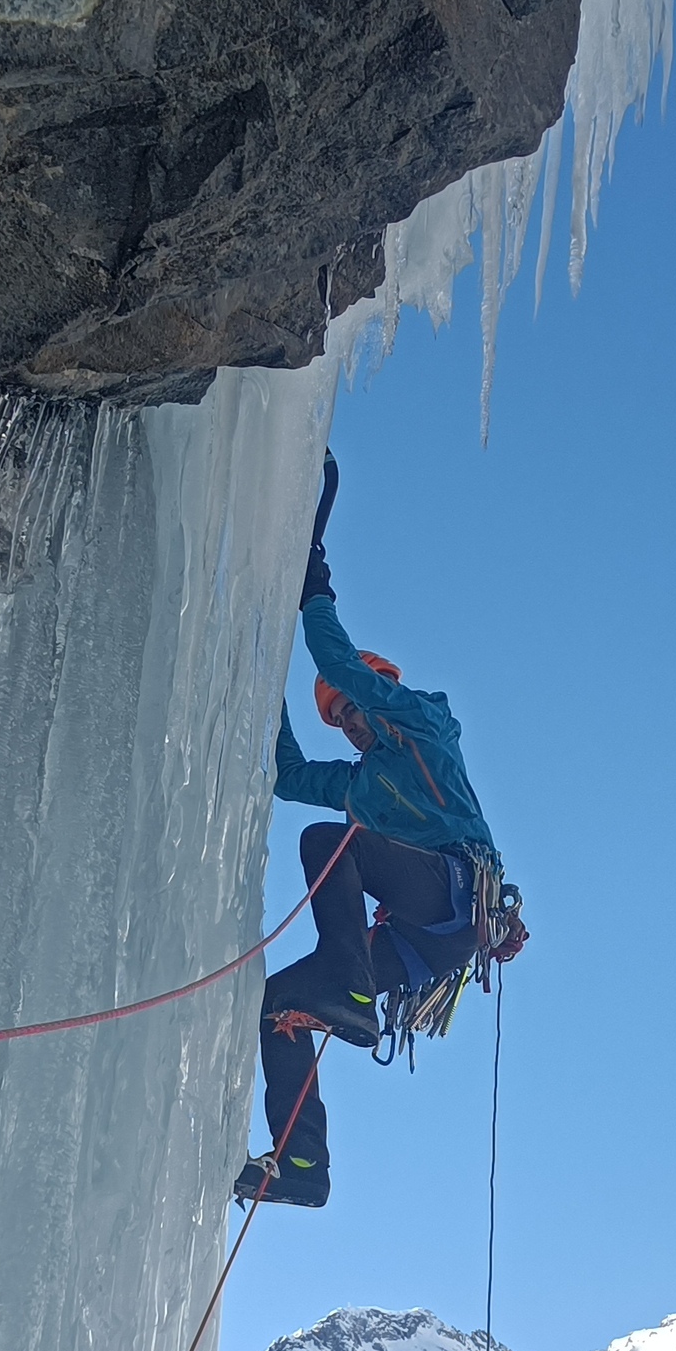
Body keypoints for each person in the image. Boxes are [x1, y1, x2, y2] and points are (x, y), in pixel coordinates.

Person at [237, 512, 499, 1209]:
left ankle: (350, 988)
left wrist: (315, 589)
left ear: (380, 690)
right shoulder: (359, 786)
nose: (351, 721)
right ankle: (302, 1168)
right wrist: (263, 690)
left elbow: (342, 667)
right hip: (423, 942)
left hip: (453, 892)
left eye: (354, 707)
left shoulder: (422, 724)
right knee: (277, 1005)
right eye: (340, 719)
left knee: (328, 844)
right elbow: (290, 777)